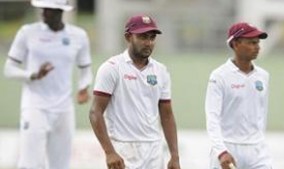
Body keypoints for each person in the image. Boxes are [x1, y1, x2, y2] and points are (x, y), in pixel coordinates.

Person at [3, 0, 93, 168]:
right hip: (34, 106)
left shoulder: (78, 35)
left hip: (64, 109)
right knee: (31, 164)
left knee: (61, 164)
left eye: (49, 10)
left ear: (61, 11)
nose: (44, 13)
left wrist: (83, 87)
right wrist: (33, 75)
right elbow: (9, 69)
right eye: (43, 9)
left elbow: (85, 70)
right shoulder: (27, 32)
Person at [89, 14, 181, 169]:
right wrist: (110, 152)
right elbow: (95, 112)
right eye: (143, 37)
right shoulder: (111, 68)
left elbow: (167, 114)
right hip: (122, 149)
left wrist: (175, 156)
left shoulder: (161, 71)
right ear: (128, 37)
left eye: (152, 38)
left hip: (154, 150)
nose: (149, 43)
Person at [205, 22, 272, 169]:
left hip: (257, 151)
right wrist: (221, 151)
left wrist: (259, 143)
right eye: (252, 42)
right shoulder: (219, 76)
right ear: (235, 44)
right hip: (227, 148)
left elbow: (262, 114)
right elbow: (212, 118)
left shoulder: (263, 76)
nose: (257, 47)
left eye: (258, 42)